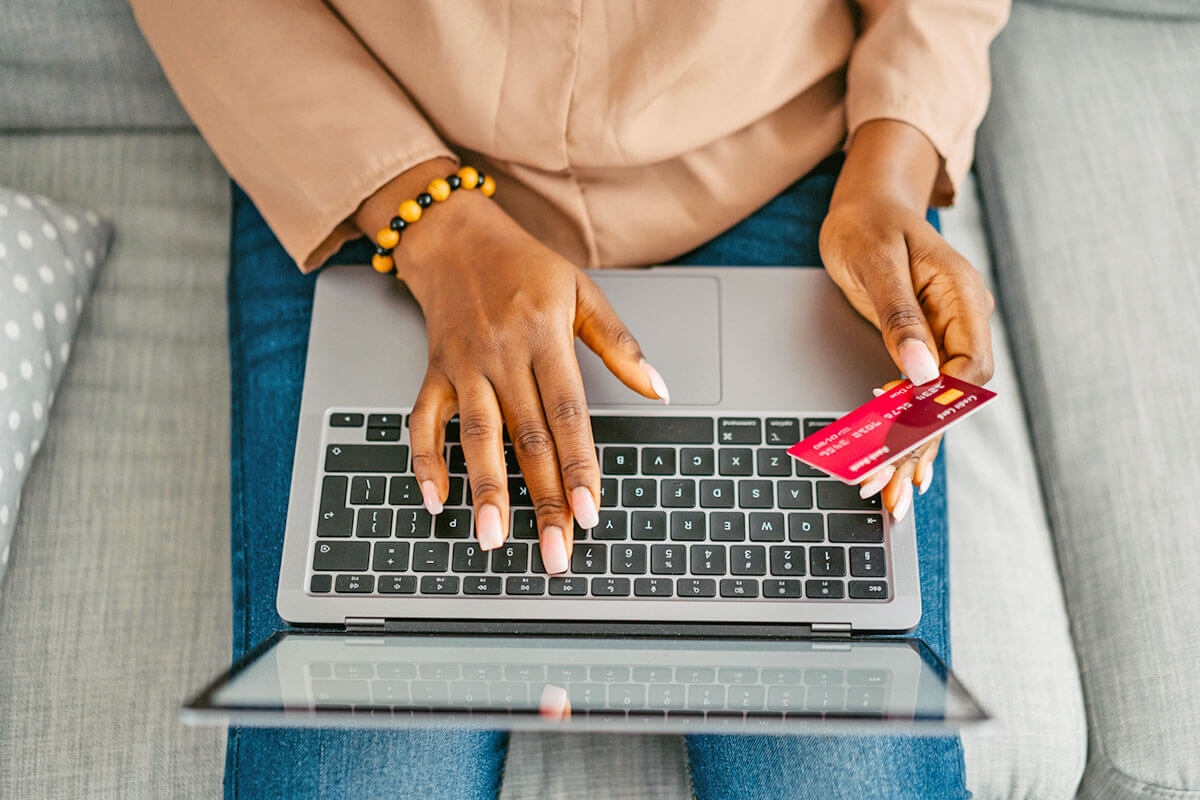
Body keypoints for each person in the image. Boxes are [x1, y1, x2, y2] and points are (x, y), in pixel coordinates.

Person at [131, 2, 1007, 797]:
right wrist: (429, 219)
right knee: (363, 773)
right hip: (383, 157)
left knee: (845, 773)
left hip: (781, 160)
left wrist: (891, 163)